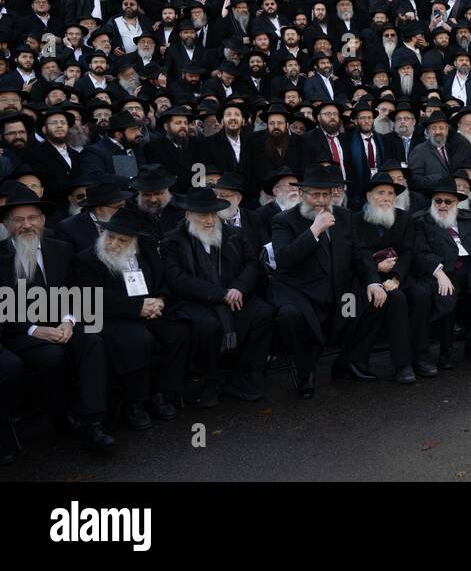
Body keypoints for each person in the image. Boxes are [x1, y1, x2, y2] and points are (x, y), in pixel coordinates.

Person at [0, 186, 114, 450]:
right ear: (7, 225)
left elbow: (79, 290)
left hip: (62, 324)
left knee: (92, 341)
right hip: (18, 334)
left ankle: (95, 422)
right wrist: (33, 329)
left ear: (43, 220)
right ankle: (59, 417)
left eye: (32, 218)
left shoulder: (61, 248)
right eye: (18, 220)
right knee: (52, 356)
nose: (26, 225)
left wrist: (69, 320)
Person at [73, 206, 190, 429]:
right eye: (111, 237)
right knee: (138, 339)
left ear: (134, 241)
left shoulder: (145, 251)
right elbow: (91, 298)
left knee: (179, 332)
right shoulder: (87, 259)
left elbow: (163, 280)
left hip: (149, 311)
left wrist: (160, 300)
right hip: (113, 317)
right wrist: (137, 307)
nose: (114, 244)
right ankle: (134, 402)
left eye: (122, 240)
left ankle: (159, 392)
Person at [162, 186, 273, 406]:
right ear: (188, 215)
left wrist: (238, 288)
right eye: (203, 215)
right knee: (208, 326)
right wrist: (221, 294)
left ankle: (240, 375)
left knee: (263, 312)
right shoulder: (172, 241)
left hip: (235, 294)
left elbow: (252, 263)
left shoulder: (233, 234)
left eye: (213, 214)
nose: (210, 220)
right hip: (196, 301)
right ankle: (210, 380)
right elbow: (178, 280)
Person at [270, 165, 369, 398]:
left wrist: (374, 282)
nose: (321, 200)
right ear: (303, 194)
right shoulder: (284, 220)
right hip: (301, 294)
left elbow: (360, 254)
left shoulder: (344, 216)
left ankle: (348, 363)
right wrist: (314, 231)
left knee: (369, 301)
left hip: (338, 293)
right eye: (315, 194)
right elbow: (284, 258)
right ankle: (306, 374)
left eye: (326, 194)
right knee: (291, 316)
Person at [348, 172, 435, 383]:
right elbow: (356, 253)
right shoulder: (356, 220)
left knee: (421, 294)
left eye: (390, 193)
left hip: (401, 275)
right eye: (381, 193)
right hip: (368, 279)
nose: (386, 197)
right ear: (369, 196)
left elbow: (407, 251)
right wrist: (376, 268)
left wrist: (396, 277)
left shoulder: (404, 218)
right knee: (396, 299)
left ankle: (421, 357)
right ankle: (402, 364)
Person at [416, 178, 471, 366]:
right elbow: (420, 251)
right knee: (446, 296)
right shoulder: (422, 221)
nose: (442, 205)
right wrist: (439, 273)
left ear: (457, 203)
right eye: (437, 201)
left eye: (448, 201)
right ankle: (445, 350)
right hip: (444, 271)